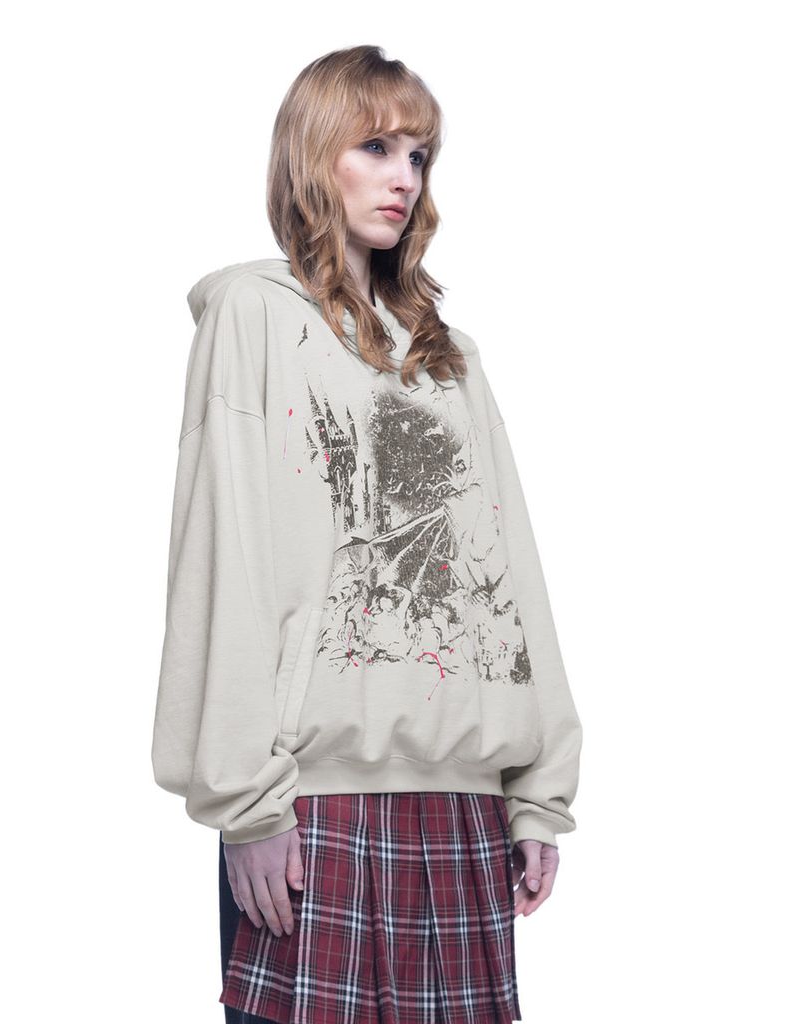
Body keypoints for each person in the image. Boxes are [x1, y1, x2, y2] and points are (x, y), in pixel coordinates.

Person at [151, 44, 583, 1024]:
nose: (403, 177)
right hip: (314, 802)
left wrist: (536, 792)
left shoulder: (450, 357)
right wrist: (246, 804)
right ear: (315, 155)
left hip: (464, 801)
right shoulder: (255, 318)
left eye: (418, 155)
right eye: (375, 147)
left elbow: (506, 568)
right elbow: (226, 555)